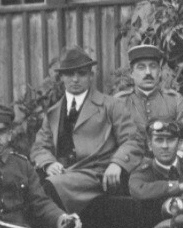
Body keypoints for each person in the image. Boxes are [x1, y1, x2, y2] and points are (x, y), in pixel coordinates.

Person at [30, 47, 143, 213]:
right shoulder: (54, 112)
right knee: (28, 185)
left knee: (50, 187)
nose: (75, 79)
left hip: (97, 175)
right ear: (61, 77)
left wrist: (117, 163)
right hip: (65, 174)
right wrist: (48, 163)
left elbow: (133, 140)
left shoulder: (111, 106)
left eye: (82, 74)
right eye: (70, 74)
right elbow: (40, 146)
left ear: (91, 76)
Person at [113, 44, 183, 158]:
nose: (148, 72)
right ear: (131, 73)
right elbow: (110, 142)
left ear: (160, 71)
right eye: (141, 67)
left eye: (153, 66)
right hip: (130, 163)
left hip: (169, 163)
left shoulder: (175, 100)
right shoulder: (119, 102)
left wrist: (178, 156)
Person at [128, 120, 183, 201]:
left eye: (170, 140)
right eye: (159, 140)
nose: (165, 146)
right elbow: (137, 189)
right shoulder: (144, 171)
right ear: (150, 145)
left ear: (179, 144)